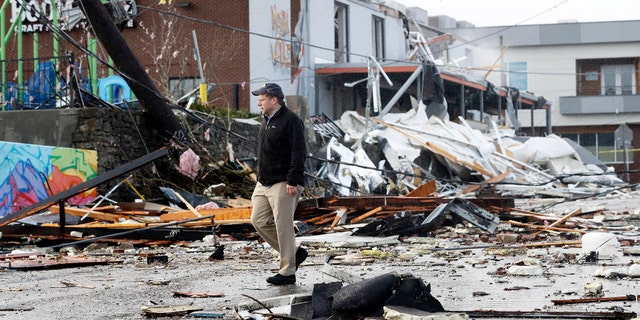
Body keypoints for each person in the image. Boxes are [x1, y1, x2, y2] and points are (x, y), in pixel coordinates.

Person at [250, 83, 308, 285]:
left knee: (283, 227)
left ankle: (287, 272)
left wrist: (293, 180)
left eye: (262, 99)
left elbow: (299, 152)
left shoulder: (291, 120)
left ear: (274, 100)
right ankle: (295, 254)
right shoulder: (266, 120)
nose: (258, 102)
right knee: (258, 220)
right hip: (264, 182)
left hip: (284, 183)